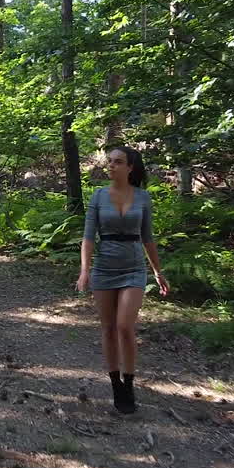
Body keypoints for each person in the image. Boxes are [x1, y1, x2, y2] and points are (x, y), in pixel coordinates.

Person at [76, 146, 169, 414]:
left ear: (130, 167)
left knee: (125, 326)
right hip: (104, 268)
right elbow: (88, 237)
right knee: (108, 328)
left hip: (133, 269)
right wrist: (85, 270)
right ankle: (115, 383)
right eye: (110, 161)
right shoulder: (98, 196)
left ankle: (129, 382)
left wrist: (158, 272)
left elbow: (148, 237)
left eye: (118, 162)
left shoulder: (143, 197)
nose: (111, 166)